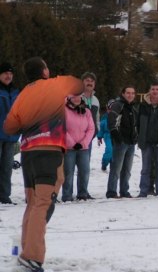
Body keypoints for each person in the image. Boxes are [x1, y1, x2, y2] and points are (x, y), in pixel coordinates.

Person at [3, 57, 83, 271]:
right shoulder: (55, 85)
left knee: (32, 203)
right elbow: (79, 85)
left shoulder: (22, 95)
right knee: (43, 203)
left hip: (28, 153)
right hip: (49, 150)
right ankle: (32, 256)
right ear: (45, 71)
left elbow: (10, 126)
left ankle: (25, 249)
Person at [106, 86, 138, 199]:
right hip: (121, 142)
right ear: (123, 94)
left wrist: (136, 137)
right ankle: (111, 192)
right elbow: (111, 122)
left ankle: (124, 191)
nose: (130, 95)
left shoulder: (133, 107)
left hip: (131, 142)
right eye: (128, 93)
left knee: (127, 169)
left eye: (132, 93)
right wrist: (117, 138)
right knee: (116, 168)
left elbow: (135, 124)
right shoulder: (118, 105)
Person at [62, 95, 95, 202]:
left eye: (79, 97)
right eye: (74, 97)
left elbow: (91, 128)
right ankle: (67, 195)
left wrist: (84, 143)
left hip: (83, 148)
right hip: (69, 147)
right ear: (69, 98)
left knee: (84, 171)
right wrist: (71, 143)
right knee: (68, 172)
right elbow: (61, 128)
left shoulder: (86, 111)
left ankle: (82, 193)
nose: (77, 99)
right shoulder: (63, 110)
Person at [0, 62, 20, 204]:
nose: (8, 76)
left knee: (7, 167)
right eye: (5, 73)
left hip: (11, 136)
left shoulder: (15, 92)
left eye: (10, 73)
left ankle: (4, 195)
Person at [81, 72, 100, 158]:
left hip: (89, 139)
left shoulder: (95, 100)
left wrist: (97, 129)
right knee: (70, 169)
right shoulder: (76, 97)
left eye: (92, 81)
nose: (90, 83)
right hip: (74, 140)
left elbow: (97, 117)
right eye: (87, 80)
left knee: (85, 169)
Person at [97, 100, 114, 171]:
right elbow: (101, 128)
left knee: (116, 152)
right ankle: (104, 163)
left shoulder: (119, 116)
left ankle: (113, 165)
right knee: (109, 150)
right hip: (108, 135)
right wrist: (99, 137)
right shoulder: (105, 117)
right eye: (109, 109)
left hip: (117, 136)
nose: (110, 110)